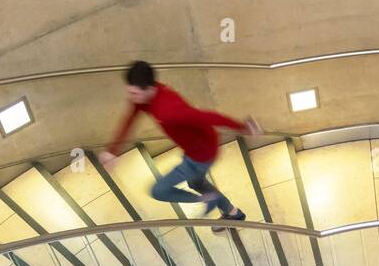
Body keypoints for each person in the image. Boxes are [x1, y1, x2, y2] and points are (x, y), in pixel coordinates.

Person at [99, 61, 261, 230]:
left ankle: (208, 200)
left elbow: (207, 117)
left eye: (134, 93)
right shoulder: (145, 97)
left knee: (158, 191)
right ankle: (233, 213)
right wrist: (112, 151)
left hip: (201, 155)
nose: (131, 97)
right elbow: (130, 118)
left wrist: (242, 127)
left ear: (148, 89)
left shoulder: (169, 110)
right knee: (196, 183)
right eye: (129, 91)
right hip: (195, 148)